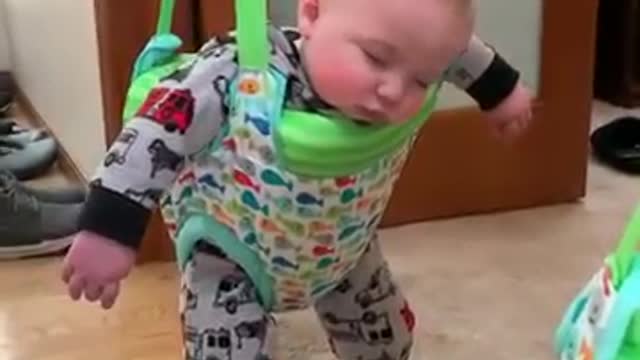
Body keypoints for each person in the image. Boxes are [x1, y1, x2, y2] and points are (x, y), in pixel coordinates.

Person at [62, 0, 533, 358]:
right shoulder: (230, 75)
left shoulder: (409, 39)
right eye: (374, 58)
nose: (393, 90)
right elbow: (153, 131)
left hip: (345, 248)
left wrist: (500, 88)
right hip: (232, 255)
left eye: (421, 81)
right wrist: (109, 228)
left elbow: (452, 50)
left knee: (387, 341)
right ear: (310, 13)